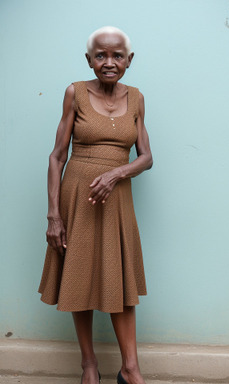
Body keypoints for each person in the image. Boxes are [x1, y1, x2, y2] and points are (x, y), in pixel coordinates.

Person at [38, 26, 153, 384]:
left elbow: (146, 158)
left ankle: (130, 368)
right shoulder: (75, 93)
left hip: (116, 200)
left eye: (117, 55)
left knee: (122, 283)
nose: (108, 62)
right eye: (100, 56)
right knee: (78, 278)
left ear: (129, 60)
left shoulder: (136, 98)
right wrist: (54, 215)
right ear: (89, 59)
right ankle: (89, 365)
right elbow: (58, 157)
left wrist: (116, 173)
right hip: (78, 198)